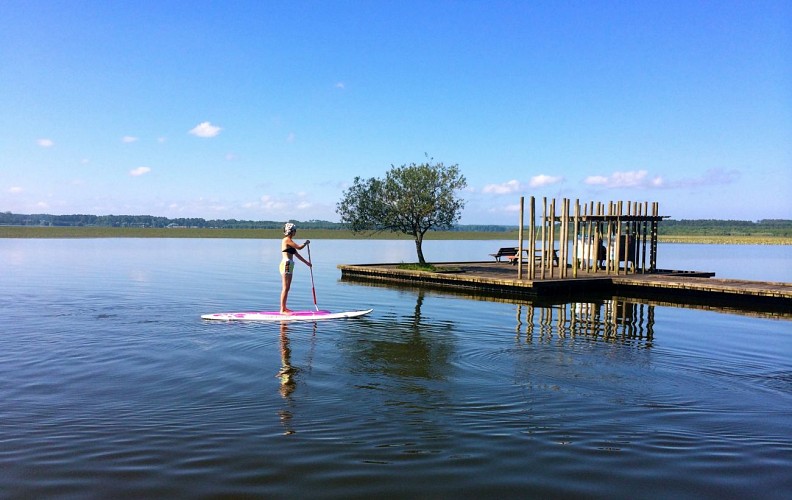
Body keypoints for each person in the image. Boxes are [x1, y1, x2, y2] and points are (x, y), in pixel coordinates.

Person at [279, 222, 311, 314]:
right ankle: (282, 309)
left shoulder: (290, 242)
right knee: (285, 288)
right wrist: (306, 242)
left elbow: (297, 254)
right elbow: (300, 247)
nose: (295, 232)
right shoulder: (287, 240)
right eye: (294, 231)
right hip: (286, 264)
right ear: (291, 231)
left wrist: (307, 263)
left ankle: (284, 307)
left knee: (287, 288)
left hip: (290, 264)